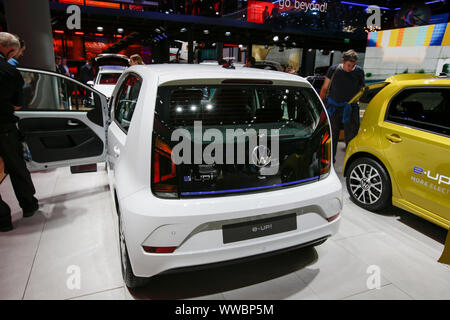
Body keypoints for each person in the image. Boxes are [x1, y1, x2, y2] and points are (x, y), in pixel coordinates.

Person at [0, 32, 39, 232]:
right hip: (4, 128)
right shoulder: (8, 71)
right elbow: (17, 104)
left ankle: (2, 219)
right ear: (10, 50)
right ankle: (28, 205)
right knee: (16, 167)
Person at [319, 49, 365, 163]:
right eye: (349, 65)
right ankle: (330, 160)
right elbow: (324, 88)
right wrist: (320, 106)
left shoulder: (359, 72)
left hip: (351, 108)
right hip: (334, 108)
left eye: (353, 65)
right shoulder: (333, 70)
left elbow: (362, 88)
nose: (350, 68)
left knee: (351, 137)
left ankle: (351, 161)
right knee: (332, 135)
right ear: (343, 61)